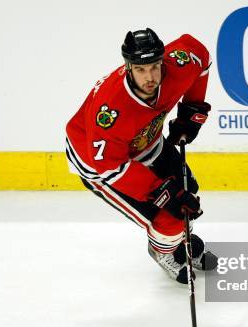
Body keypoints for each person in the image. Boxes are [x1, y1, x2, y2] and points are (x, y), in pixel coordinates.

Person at [65, 28, 216, 284]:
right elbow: (108, 167)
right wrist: (161, 191)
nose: (150, 77)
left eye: (155, 67)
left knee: (188, 189)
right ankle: (163, 251)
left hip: (146, 141)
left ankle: (180, 240)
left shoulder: (176, 65)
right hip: (101, 165)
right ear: (128, 68)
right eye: (141, 70)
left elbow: (200, 55)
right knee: (171, 216)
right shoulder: (110, 110)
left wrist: (191, 111)